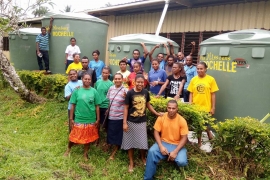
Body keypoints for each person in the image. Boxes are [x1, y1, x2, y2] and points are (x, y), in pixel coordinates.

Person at [122, 73, 162, 173]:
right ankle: (131, 162)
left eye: (142, 82)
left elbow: (148, 105)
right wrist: (124, 123)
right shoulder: (130, 93)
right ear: (134, 82)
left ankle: (143, 158)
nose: (140, 84)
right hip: (130, 121)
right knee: (129, 143)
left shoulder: (145, 92)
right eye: (138, 82)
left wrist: (156, 113)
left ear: (144, 83)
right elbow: (126, 108)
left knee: (142, 142)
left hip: (141, 122)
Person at [144, 100, 188, 180]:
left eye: (173, 108)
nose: (171, 110)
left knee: (182, 162)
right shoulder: (161, 117)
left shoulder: (182, 120)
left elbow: (184, 138)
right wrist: (160, 146)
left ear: (177, 109)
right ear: (166, 108)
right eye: (169, 108)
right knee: (152, 151)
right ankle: (148, 178)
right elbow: (156, 132)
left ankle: (173, 159)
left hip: (177, 145)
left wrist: (175, 151)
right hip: (164, 142)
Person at [64, 73, 101, 161]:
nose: (87, 81)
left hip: (90, 118)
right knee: (74, 136)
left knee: (88, 138)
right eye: (85, 79)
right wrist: (71, 119)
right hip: (79, 118)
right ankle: (68, 149)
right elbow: (72, 105)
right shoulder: (77, 91)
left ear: (91, 80)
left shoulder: (94, 91)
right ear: (82, 79)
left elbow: (97, 106)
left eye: (89, 79)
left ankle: (85, 154)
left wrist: (98, 118)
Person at [187, 62, 219, 147]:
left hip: (206, 107)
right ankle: (200, 142)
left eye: (201, 69)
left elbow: (213, 94)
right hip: (196, 106)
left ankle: (208, 135)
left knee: (203, 124)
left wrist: (213, 107)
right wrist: (190, 103)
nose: (199, 70)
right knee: (199, 125)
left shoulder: (211, 79)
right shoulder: (193, 79)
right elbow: (191, 93)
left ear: (205, 69)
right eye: (198, 69)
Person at [106, 73, 128, 160]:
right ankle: (111, 146)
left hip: (120, 117)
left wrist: (126, 97)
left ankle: (115, 150)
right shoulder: (111, 88)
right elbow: (109, 101)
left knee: (118, 135)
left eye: (119, 79)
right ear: (114, 80)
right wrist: (108, 110)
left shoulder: (125, 90)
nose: (117, 80)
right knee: (111, 132)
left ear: (122, 80)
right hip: (111, 115)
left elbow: (129, 104)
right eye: (116, 79)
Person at [94, 67, 114, 145]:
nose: (104, 74)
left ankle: (107, 141)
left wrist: (108, 108)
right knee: (97, 123)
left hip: (106, 106)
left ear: (109, 74)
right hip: (98, 106)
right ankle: (97, 139)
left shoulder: (111, 84)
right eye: (103, 72)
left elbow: (111, 97)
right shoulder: (97, 82)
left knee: (106, 124)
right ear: (101, 73)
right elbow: (95, 94)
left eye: (106, 73)